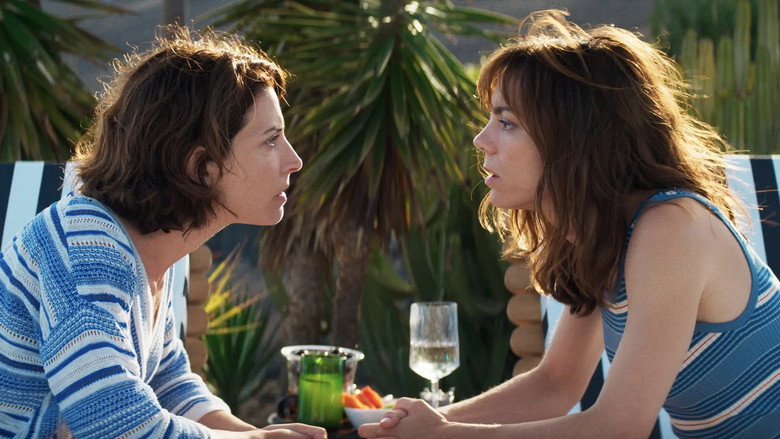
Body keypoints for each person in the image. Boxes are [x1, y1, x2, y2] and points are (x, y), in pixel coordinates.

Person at [359, 9, 780, 439]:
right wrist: (412, 426)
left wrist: (440, 435)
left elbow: (618, 428)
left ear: (574, 140)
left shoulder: (671, 229)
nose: (481, 140)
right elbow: (556, 383)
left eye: (506, 123)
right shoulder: (604, 235)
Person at [0, 26, 327, 439]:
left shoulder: (151, 247)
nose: (294, 160)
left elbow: (170, 384)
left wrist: (252, 434)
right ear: (200, 166)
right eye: (271, 141)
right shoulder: (86, 246)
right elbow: (110, 423)